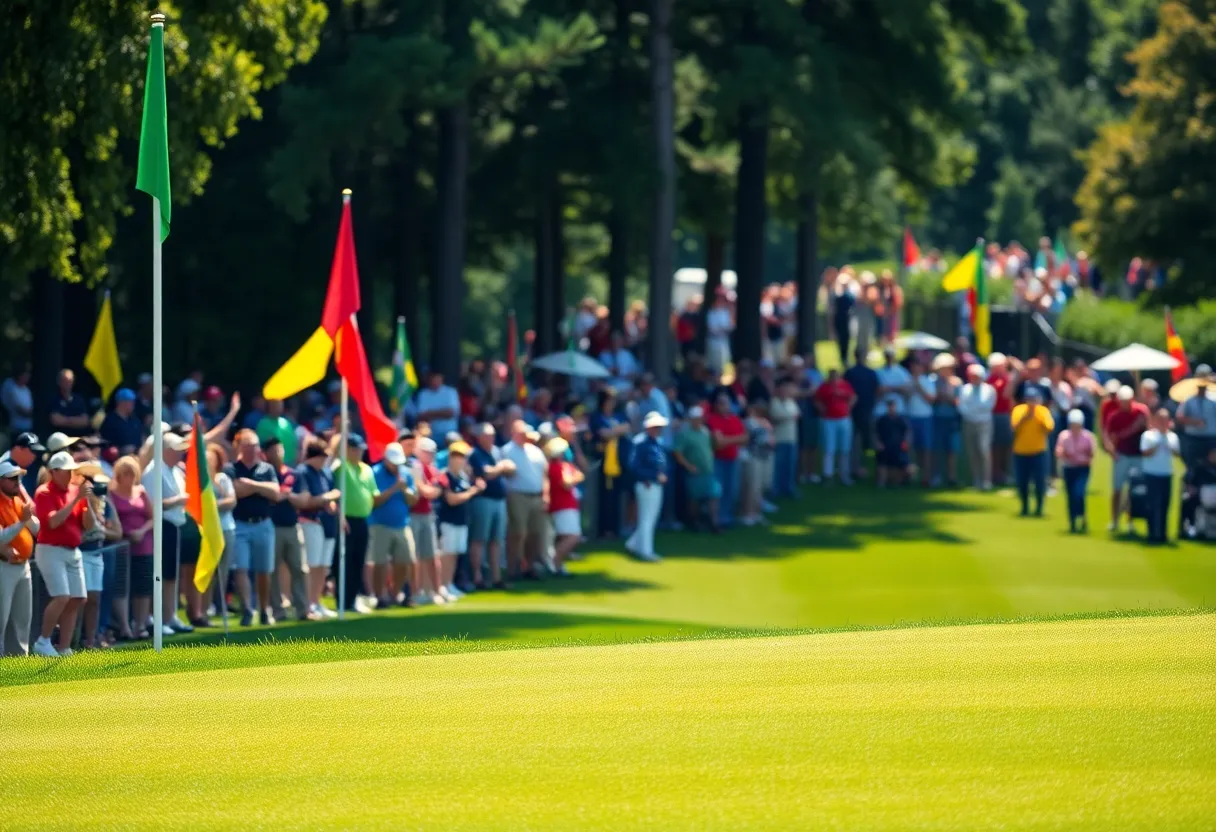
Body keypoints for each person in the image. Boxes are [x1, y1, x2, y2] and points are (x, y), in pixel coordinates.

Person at [32, 451, 96, 657]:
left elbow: (88, 525)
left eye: (71, 471)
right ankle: (43, 641)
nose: (69, 475)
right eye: (65, 471)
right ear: (53, 472)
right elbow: (52, 522)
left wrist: (87, 505)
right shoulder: (44, 492)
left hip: (72, 550)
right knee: (61, 596)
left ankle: (64, 647)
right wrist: (76, 499)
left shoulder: (75, 491)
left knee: (78, 597)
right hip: (50, 549)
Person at [142, 431, 196, 636]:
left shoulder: (174, 470)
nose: (181, 454)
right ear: (165, 450)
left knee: (171, 575)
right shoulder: (153, 471)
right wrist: (178, 500)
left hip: (174, 526)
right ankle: (158, 617)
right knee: (161, 574)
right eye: (177, 450)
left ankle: (170, 615)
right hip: (160, 526)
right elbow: (152, 504)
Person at [227, 429, 282, 625]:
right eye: (248, 446)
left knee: (263, 570)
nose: (252, 450)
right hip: (240, 524)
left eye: (255, 446)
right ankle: (248, 610)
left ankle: (264, 609)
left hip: (263, 524)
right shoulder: (231, 469)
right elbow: (235, 491)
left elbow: (276, 493)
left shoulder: (267, 469)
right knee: (241, 568)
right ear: (239, 447)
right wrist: (260, 488)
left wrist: (251, 485)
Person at [368, 442, 418, 609]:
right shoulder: (375, 473)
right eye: (393, 462)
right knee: (380, 563)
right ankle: (380, 596)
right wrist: (394, 488)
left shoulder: (405, 473)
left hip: (402, 523)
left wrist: (404, 490)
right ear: (386, 459)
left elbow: (412, 500)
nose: (396, 466)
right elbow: (375, 501)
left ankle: (394, 594)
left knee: (405, 560)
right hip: (379, 524)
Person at [264, 438, 308, 622]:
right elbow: (270, 496)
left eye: (280, 449)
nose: (278, 454)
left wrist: (286, 496)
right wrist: (281, 495)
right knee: (272, 571)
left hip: (292, 526)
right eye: (273, 450)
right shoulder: (264, 473)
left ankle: (302, 609)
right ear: (266, 453)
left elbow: (304, 499)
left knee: (299, 568)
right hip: (272, 527)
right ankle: (278, 610)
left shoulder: (294, 474)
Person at [334, 434, 379, 613]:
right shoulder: (340, 467)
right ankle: (342, 600)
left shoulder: (367, 470)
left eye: (360, 449)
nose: (359, 452)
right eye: (354, 449)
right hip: (345, 519)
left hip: (362, 520)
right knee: (343, 562)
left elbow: (373, 494)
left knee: (358, 561)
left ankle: (352, 599)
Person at [295, 439, 340, 619]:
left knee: (323, 566)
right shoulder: (302, 473)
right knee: (312, 565)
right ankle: (309, 603)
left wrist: (332, 504)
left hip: (327, 523)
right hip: (310, 522)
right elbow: (307, 501)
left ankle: (317, 600)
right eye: (323, 456)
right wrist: (328, 497)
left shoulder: (326, 473)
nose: (325, 460)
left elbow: (330, 498)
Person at [110, 456, 151, 640]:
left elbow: (153, 517)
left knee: (142, 586)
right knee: (121, 586)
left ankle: (140, 625)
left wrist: (141, 531)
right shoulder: (111, 493)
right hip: (121, 546)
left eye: (132, 473)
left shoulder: (141, 491)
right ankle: (125, 626)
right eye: (125, 473)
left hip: (143, 544)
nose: (129, 477)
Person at [501, 421, 549, 581]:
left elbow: (544, 475)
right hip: (517, 495)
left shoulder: (536, 451)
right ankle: (513, 567)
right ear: (514, 433)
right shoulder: (507, 451)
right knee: (518, 532)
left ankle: (529, 566)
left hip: (536, 496)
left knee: (535, 534)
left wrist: (546, 495)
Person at [0, 458, 38, 656]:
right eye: (12, 478)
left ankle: (19, 659)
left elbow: (37, 528)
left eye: (19, 478)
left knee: (23, 618)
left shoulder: (17, 501)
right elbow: (1, 538)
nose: (17, 482)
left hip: (23, 566)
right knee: (2, 618)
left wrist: (27, 517)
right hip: (4, 567)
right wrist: (21, 523)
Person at [437, 441, 484, 597]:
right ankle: (443, 585)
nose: (460, 460)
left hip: (461, 521)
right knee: (447, 554)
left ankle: (449, 584)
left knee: (455, 554)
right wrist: (472, 491)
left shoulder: (463, 477)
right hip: (448, 521)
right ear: (450, 457)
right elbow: (451, 499)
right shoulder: (445, 476)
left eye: (462, 457)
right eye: (457, 456)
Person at [468, 423, 512, 589]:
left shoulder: (495, 452)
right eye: (488, 435)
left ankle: (496, 577)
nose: (492, 438)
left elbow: (511, 469)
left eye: (493, 435)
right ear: (480, 437)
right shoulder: (476, 453)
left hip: (499, 500)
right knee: (479, 539)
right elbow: (486, 473)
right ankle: (478, 577)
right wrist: (501, 467)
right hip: (483, 500)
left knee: (496, 540)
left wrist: (498, 469)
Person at [1103, 385, 1150, 534]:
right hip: (1122, 455)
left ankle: (1130, 521)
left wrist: (1144, 424)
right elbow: (1108, 436)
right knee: (1117, 489)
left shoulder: (1141, 411)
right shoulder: (1114, 416)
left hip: (1138, 455)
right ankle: (1114, 520)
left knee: (1133, 491)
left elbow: (1149, 429)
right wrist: (1112, 452)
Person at [626, 413, 668, 562]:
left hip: (655, 484)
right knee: (646, 518)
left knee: (651, 517)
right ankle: (645, 551)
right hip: (647, 484)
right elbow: (634, 466)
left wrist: (660, 474)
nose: (659, 430)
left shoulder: (656, 441)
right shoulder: (640, 442)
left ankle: (633, 544)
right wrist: (651, 476)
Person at [673, 406, 720, 532]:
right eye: (695, 419)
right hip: (694, 473)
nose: (698, 421)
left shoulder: (705, 431)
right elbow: (677, 452)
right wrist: (689, 466)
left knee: (714, 495)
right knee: (693, 499)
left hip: (708, 471)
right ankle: (694, 522)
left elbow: (710, 448)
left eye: (700, 418)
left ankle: (714, 523)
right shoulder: (685, 434)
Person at [1011, 388, 1054, 517]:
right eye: (1029, 399)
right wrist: (1026, 417)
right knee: (1022, 481)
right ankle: (1024, 507)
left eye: (1034, 399)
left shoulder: (1043, 411)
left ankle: (1039, 508)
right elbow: (1014, 427)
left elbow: (1049, 427)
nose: (1032, 402)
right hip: (1021, 451)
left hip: (1039, 451)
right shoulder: (1018, 410)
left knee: (1040, 481)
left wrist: (1037, 417)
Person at [705, 393, 746, 528]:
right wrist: (734, 439)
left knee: (731, 489)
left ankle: (728, 517)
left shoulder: (735, 419)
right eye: (720, 403)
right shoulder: (713, 419)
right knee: (718, 490)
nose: (723, 406)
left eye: (726, 403)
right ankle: (718, 519)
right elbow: (718, 443)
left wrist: (727, 439)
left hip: (732, 460)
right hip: (718, 460)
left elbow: (745, 438)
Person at [1140, 409, 1180, 544]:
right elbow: (1145, 453)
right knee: (1151, 504)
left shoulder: (1172, 437)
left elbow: (1176, 454)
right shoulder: (1148, 436)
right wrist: (1157, 443)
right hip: (1151, 473)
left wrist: (1169, 445)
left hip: (1166, 473)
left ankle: (1162, 533)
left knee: (1165, 504)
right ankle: (1151, 533)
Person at [545, 437, 584, 575]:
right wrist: (576, 477)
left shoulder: (565, 466)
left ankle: (559, 565)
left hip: (568, 505)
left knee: (565, 536)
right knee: (573, 536)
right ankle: (554, 562)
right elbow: (567, 483)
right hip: (562, 506)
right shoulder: (555, 467)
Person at [1055, 409, 1096, 533]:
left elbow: (1092, 453)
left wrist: (1082, 457)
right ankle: (1072, 521)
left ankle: (1082, 516)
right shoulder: (1064, 436)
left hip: (1083, 469)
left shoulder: (1088, 437)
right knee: (1070, 495)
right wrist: (1065, 454)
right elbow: (1059, 451)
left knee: (1079, 493)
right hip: (1069, 468)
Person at [815, 368, 856, 484]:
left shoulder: (845, 385)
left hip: (844, 418)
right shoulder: (824, 387)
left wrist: (848, 407)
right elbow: (817, 400)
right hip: (829, 420)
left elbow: (853, 397)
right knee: (829, 448)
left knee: (845, 448)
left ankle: (844, 474)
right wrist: (821, 409)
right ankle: (828, 475)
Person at [958, 364, 996, 490]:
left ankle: (986, 480)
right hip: (969, 423)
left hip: (984, 423)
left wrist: (974, 409)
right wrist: (973, 411)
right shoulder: (965, 389)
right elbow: (962, 406)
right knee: (972, 452)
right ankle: (976, 479)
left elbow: (988, 406)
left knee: (984, 450)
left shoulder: (989, 390)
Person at [843, 349, 879, 480]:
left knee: (858, 442)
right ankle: (860, 469)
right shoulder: (869, 373)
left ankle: (858, 468)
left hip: (857, 411)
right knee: (862, 442)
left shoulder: (851, 373)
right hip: (862, 411)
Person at [929, 354, 962, 487]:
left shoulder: (957, 382)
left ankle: (951, 477)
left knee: (952, 449)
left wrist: (947, 396)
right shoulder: (933, 381)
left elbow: (958, 402)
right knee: (937, 448)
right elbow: (933, 399)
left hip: (952, 419)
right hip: (937, 418)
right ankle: (936, 475)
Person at [739, 403, 774, 527]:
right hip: (753, 456)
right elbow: (746, 439)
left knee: (762, 486)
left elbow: (770, 437)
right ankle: (748, 514)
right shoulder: (747, 422)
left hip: (766, 456)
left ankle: (757, 512)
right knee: (752, 486)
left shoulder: (765, 422)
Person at [1176, 365, 1216, 470]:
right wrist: (1194, 421)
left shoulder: (1214, 399)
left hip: (1211, 440)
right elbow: (1179, 418)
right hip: (1193, 439)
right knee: (1192, 469)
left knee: (1211, 469)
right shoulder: (1188, 400)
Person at [987, 353, 1017, 486]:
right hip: (996, 415)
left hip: (1006, 415)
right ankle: (996, 474)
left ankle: (1004, 473)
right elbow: (1005, 394)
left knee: (1006, 446)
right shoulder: (992, 380)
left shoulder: (1005, 378)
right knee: (997, 447)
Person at [769, 380, 801, 499]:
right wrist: (789, 416)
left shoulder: (791, 402)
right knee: (778, 466)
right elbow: (776, 416)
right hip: (779, 439)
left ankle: (789, 488)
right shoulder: (774, 402)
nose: (785, 392)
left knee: (790, 466)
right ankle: (776, 489)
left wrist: (787, 416)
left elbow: (797, 415)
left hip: (792, 438)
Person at [906, 359, 936, 484]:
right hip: (911, 417)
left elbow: (931, 399)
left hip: (925, 418)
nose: (915, 369)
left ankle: (926, 477)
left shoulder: (928, 381)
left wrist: (918, 386)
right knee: (911, 449)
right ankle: (911, 476)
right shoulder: (908, 381)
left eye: (917, 367)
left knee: (926, 448)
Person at [874, 398, 911, 488]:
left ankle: (900, 481)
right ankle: (881, 482)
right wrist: (878, 443)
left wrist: (906, 443)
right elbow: (875, 433)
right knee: (882, 459)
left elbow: (908, 432)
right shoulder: (882, 420)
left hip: (898, 447)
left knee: (905, 463)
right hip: (885, 446)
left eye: (893, 406)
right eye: (889, 406)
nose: (891, 408)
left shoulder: (901, 420)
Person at [415, 372, 461, 441]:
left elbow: (451, 413)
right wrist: (442, 412)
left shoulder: (450, 392)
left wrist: (430, 413)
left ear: (441, 379)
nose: (435, 381)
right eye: (432, 379)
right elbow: (422, 415)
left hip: (449, 433)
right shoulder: (423, 394)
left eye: (437, 379)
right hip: (430, 434)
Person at [99, 389, 144, 455]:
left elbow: (141, 438)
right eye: (130, 401)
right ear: (121, 403)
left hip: (136, 458)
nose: (133, 404)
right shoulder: (110, 421)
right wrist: (121, 450)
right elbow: (104, 445)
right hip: (116, 460)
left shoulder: (135, 420)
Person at [255, 399, 298, 466]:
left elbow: (293, 442)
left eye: (280, 405)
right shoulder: (263, 424)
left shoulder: (286, 423)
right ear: (270, 407)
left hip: (291, 463)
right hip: (273, 464)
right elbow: (261, 446)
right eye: (275, 405)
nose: (278, 408)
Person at [705, 288, 735, 374]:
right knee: (714, 365)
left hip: (723, 341)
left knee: (723, 364)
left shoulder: (726, 312)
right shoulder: (711, 312)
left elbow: (731, 326)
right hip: (713, 341)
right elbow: (712, 329)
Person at [1, 367, 34, 433]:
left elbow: (30, 408)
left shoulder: (26, 389)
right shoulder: (10, 386)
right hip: (14, 427)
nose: (27, 378)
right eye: (25, 376)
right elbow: (18, 408)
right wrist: (29, 413)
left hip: (27, 427)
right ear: (20, 376)